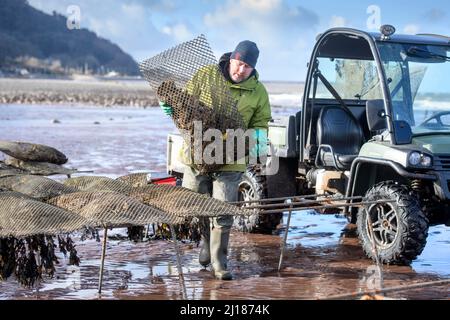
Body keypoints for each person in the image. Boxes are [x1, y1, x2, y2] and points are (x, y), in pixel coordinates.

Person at [159, 40, 271, 280]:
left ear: (253, 69)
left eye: (247, 67)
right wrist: (169, 105)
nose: (241, 71)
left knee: (222, 210)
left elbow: (260, 123)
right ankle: (205, 243)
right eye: (239, 64)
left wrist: (259, 138)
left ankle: (219, 262)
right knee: (196, 205)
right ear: (232, 59)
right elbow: (185, 103)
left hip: (231, 160)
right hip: (197, 157)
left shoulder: (258, 92)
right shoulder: (206, 75)